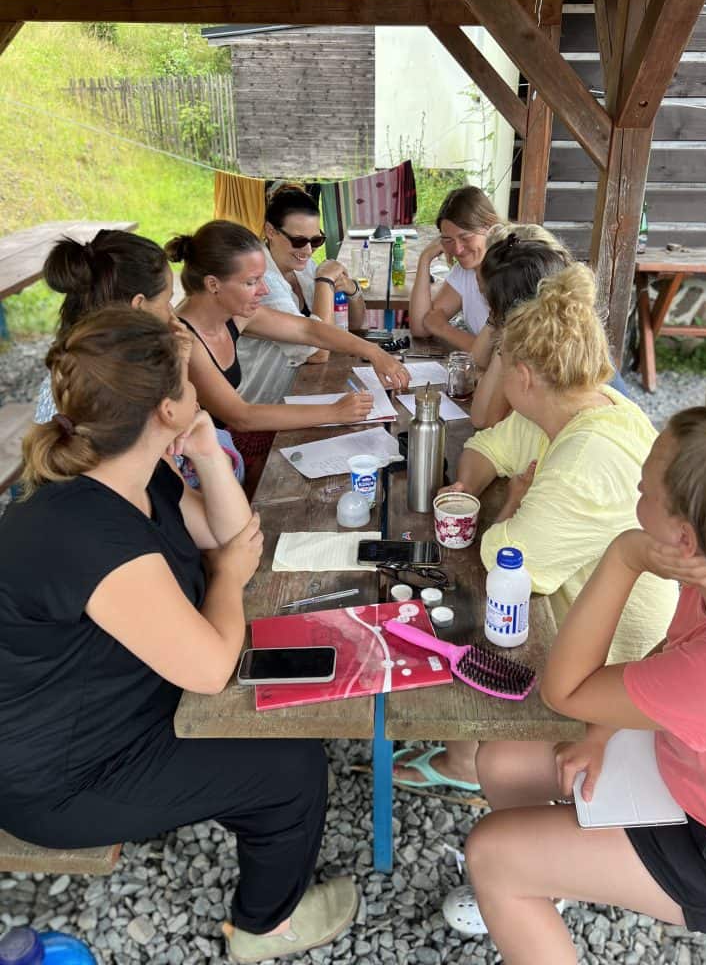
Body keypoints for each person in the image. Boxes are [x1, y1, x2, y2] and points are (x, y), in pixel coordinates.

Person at [0, 307, 358, 963]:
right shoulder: (85, 531)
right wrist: (226, 578)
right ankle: (263, 927)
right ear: (164, 408)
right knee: (290, 766)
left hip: (113, 708)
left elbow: (231, 532)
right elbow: (211, 666)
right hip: (61, 777)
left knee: (277, 699)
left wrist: (205, 449)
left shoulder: (127, 469)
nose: (202, 392)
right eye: (191, 384)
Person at [466, 381, 706, 962]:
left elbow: (565, 691)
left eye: (643, 490)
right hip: (700, 766)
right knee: (502, 759)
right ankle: (551, 875)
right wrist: (603, 730)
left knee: (491, 854)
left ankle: (523, 877)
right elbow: (668, 656)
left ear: (683, 539)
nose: (636, 492)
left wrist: (625, 555)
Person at [394, 262, 677, 791]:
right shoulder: (586, 404)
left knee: (466, 625)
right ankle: (461, 754)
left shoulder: (582, 461)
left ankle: (474, 762)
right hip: (582, 623)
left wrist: (509, 508)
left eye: (502, 366)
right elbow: (488, 445)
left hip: (615, 662)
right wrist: (468, 486)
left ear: (522, 376)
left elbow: (511, 564)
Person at [166, 221, 409, 489]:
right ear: (213, 284)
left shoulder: (232, 314)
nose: (264, 290)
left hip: (227, 444)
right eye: (251, 282)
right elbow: (241, 416)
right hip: (204, 467)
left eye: (262, 278)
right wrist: (334, 412)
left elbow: (308, 330)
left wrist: (373, 351)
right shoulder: (185, 341)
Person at [32, 228, 245, 486]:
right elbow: (176, 491)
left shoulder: (78, 363)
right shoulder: (131, 386)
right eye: (167, 301)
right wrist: (180, 368)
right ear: (138, 305)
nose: (172, 313)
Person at [470, 227, 628, 429]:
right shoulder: (561, 323)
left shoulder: (542, 344)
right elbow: (476, 363)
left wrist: (501, 333)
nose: (486, 304)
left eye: (487, 296)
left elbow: (484, 420)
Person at [261, 183, 366, 336]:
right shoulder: (262, 281)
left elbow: (355, 326)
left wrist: (353, 290)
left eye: (316, 240)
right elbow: (318, 346)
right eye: (299, 241)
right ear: (270, 231)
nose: (309, 250)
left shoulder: (304, 266)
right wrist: (324, 281)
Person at [409, 185, 501, 351]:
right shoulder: (465, 271)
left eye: (465, 237)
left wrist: (444, 329)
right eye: (448, 240)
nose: (457, 249)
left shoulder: (512, 272)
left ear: (489, 226)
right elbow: (420, 327)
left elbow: (500, 355)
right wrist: (425, 259)